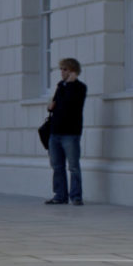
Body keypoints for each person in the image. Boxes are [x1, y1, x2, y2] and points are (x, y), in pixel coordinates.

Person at [45, 57, 87, 206]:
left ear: (73, 71)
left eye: (65, 69)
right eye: (61, 69)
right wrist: (50, 106)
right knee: (57, 166)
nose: (62, 72)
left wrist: (70, 84)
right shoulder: (60, 86)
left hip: (70, 133)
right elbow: (56, 105)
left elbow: (71, 105)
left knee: (73, 166)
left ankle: (76, 196)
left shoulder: (79, 88)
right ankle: (59, 195)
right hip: (55, 131)